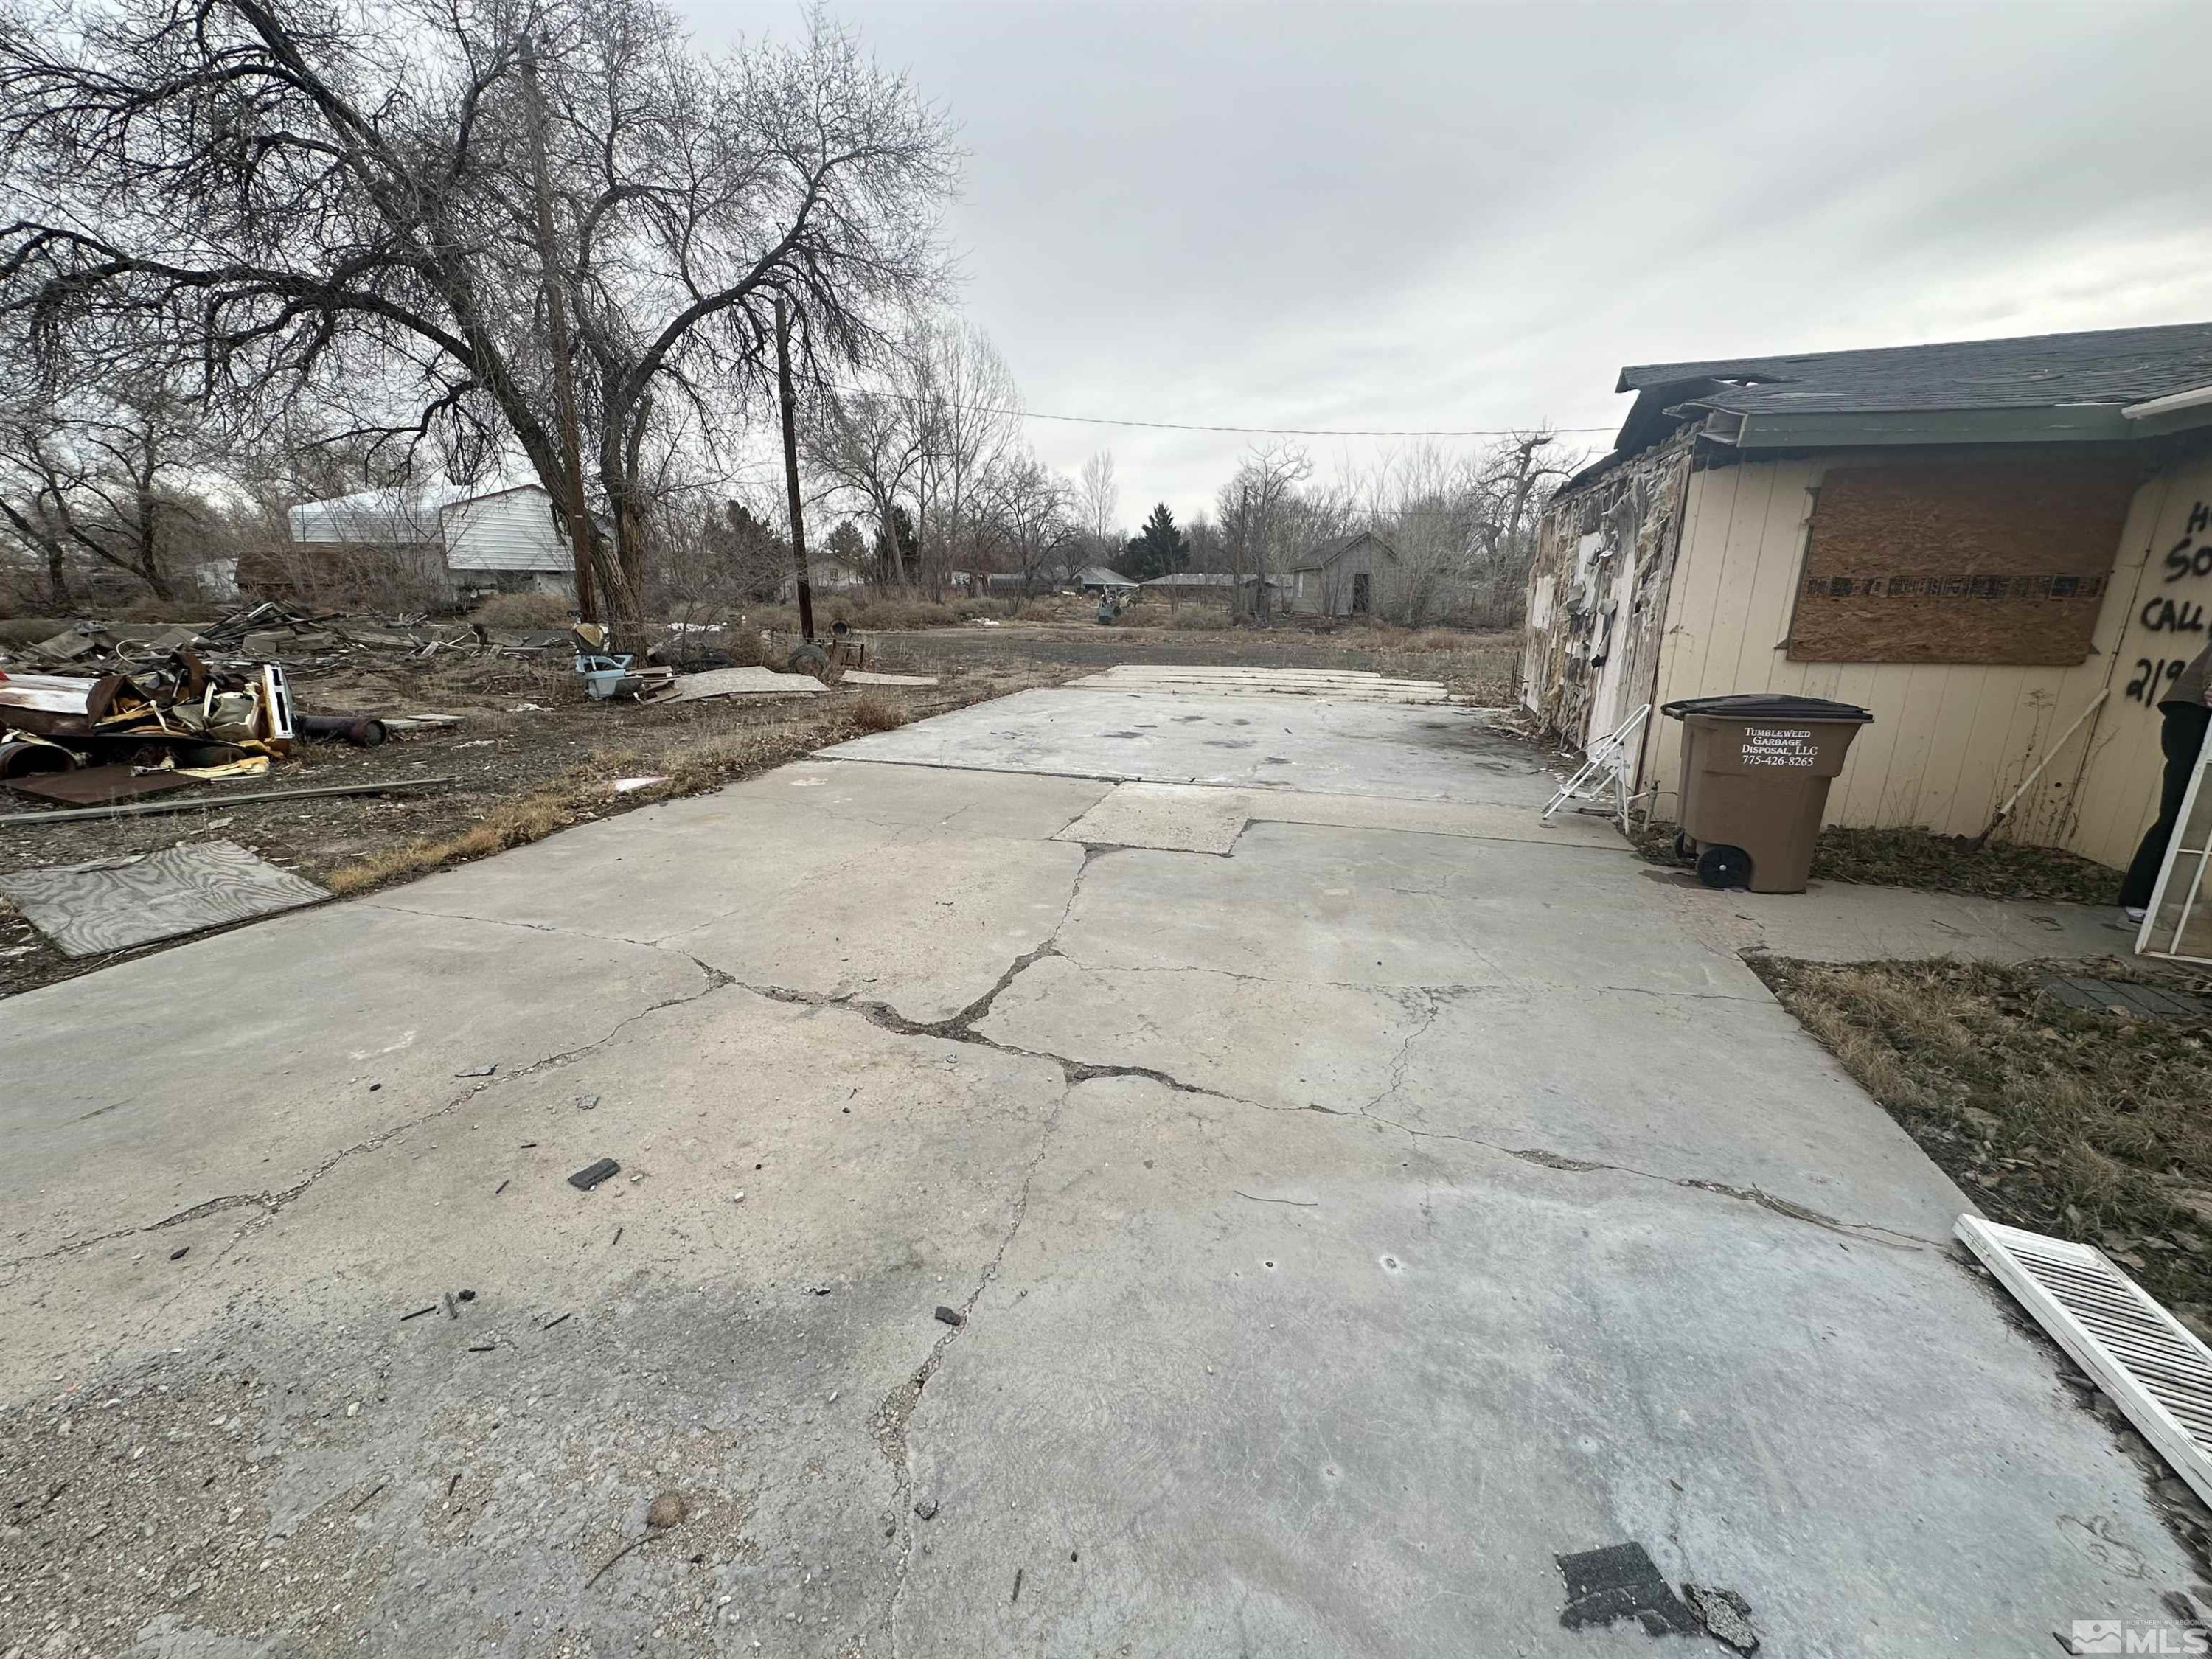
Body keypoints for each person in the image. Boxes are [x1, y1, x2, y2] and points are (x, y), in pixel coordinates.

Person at [2121, 640, 2212, 921]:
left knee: (2198, 815)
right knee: (2180, 809)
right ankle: (2142, 895)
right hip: (2195, 716)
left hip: (2194, 717)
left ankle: (2178, 893)